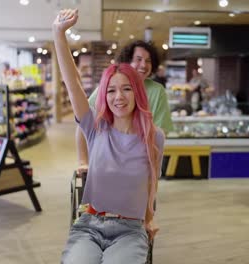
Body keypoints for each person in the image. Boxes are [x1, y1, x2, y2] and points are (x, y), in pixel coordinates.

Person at [53, 9, 165, 263]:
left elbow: (152, 183)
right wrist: (58, 33)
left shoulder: (153, 137)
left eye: (126, 88)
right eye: (111, 90)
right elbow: (73, 84)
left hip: (130, 230)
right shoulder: (95, 126)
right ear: (103, 95)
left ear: (138, 93)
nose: (119, 97)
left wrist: (150, 217)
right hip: (89, 225)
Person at [76, 40, 173, 174]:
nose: (144, 65)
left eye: (148, 61)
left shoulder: (157, 91)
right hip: (106, 162)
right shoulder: (110, 84)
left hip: (139, 166)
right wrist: (83, 161)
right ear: (126, 62)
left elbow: (160, 134)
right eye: (138, 59)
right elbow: (83, 124)